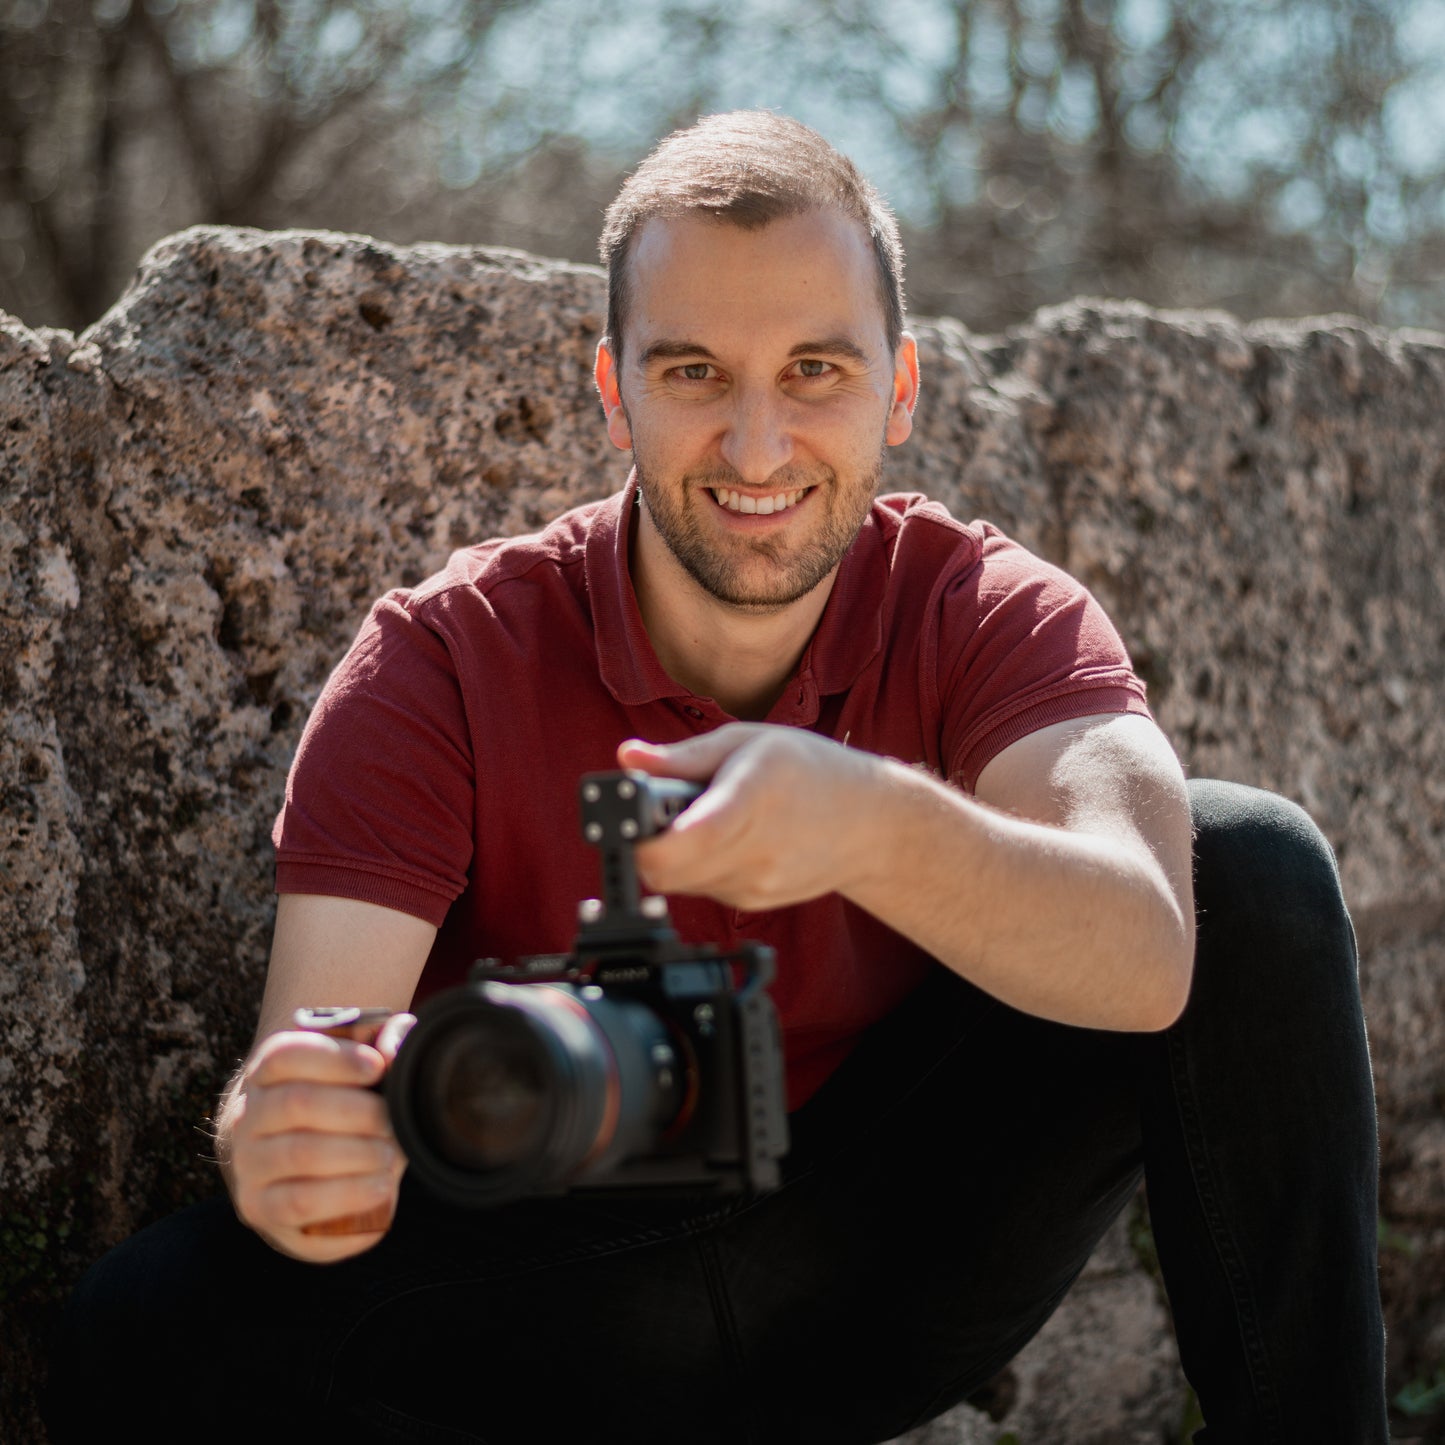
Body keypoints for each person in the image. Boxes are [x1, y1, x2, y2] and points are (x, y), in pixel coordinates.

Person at [48, 111, 1387, 1444]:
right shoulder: (444, 656)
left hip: (888, 1248)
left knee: (1249, 867)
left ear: (901, 389)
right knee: (148, 1323)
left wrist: (867, 824)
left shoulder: (989, 614)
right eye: (693, 372)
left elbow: (1149, 951)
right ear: (613, 387)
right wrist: (277, 1136)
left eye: (815, 369)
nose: (756, 447)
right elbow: (315, 1058)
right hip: (553, 1278)